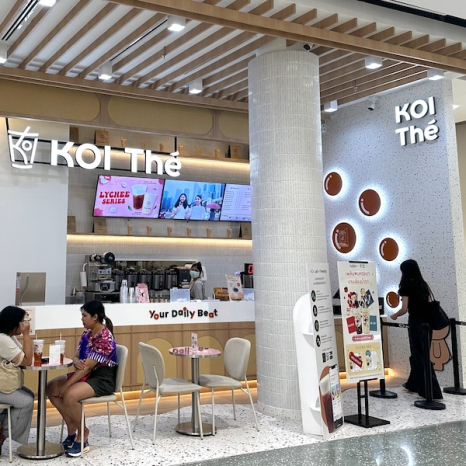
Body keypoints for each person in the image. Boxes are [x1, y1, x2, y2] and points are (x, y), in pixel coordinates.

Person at [46, 301, 117, 457]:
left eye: (84, 316)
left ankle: (83, 434)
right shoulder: (87, 333)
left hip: (101, 379)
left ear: (95, 317)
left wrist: (66, 386)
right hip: (85, 373)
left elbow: (87, 368)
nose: (82, 319)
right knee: (51, 388)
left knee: (69, 395)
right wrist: (76, 360)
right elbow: (76, 356)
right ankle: (71, 426)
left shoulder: (105, 338)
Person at [390, 259, 443, 399]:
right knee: (420, 354)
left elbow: (404, 309)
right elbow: (429, 303)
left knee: (419, 356)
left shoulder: (406, 286)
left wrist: (394, 315)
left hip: (415, 324)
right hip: (427, 325)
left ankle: (433, 391)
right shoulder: (423, 284)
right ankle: (413, 384)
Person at [0, 306, 34, 452]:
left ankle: (1, 429)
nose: (24, 324)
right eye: (22, 321)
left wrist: (26, 336)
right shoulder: (2, 339)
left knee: (29, 394)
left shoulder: (9, 337)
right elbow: (26, 361)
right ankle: (3, 434)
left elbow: (25, 356)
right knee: (27, 401)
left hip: (5, 385)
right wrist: (26, 334)